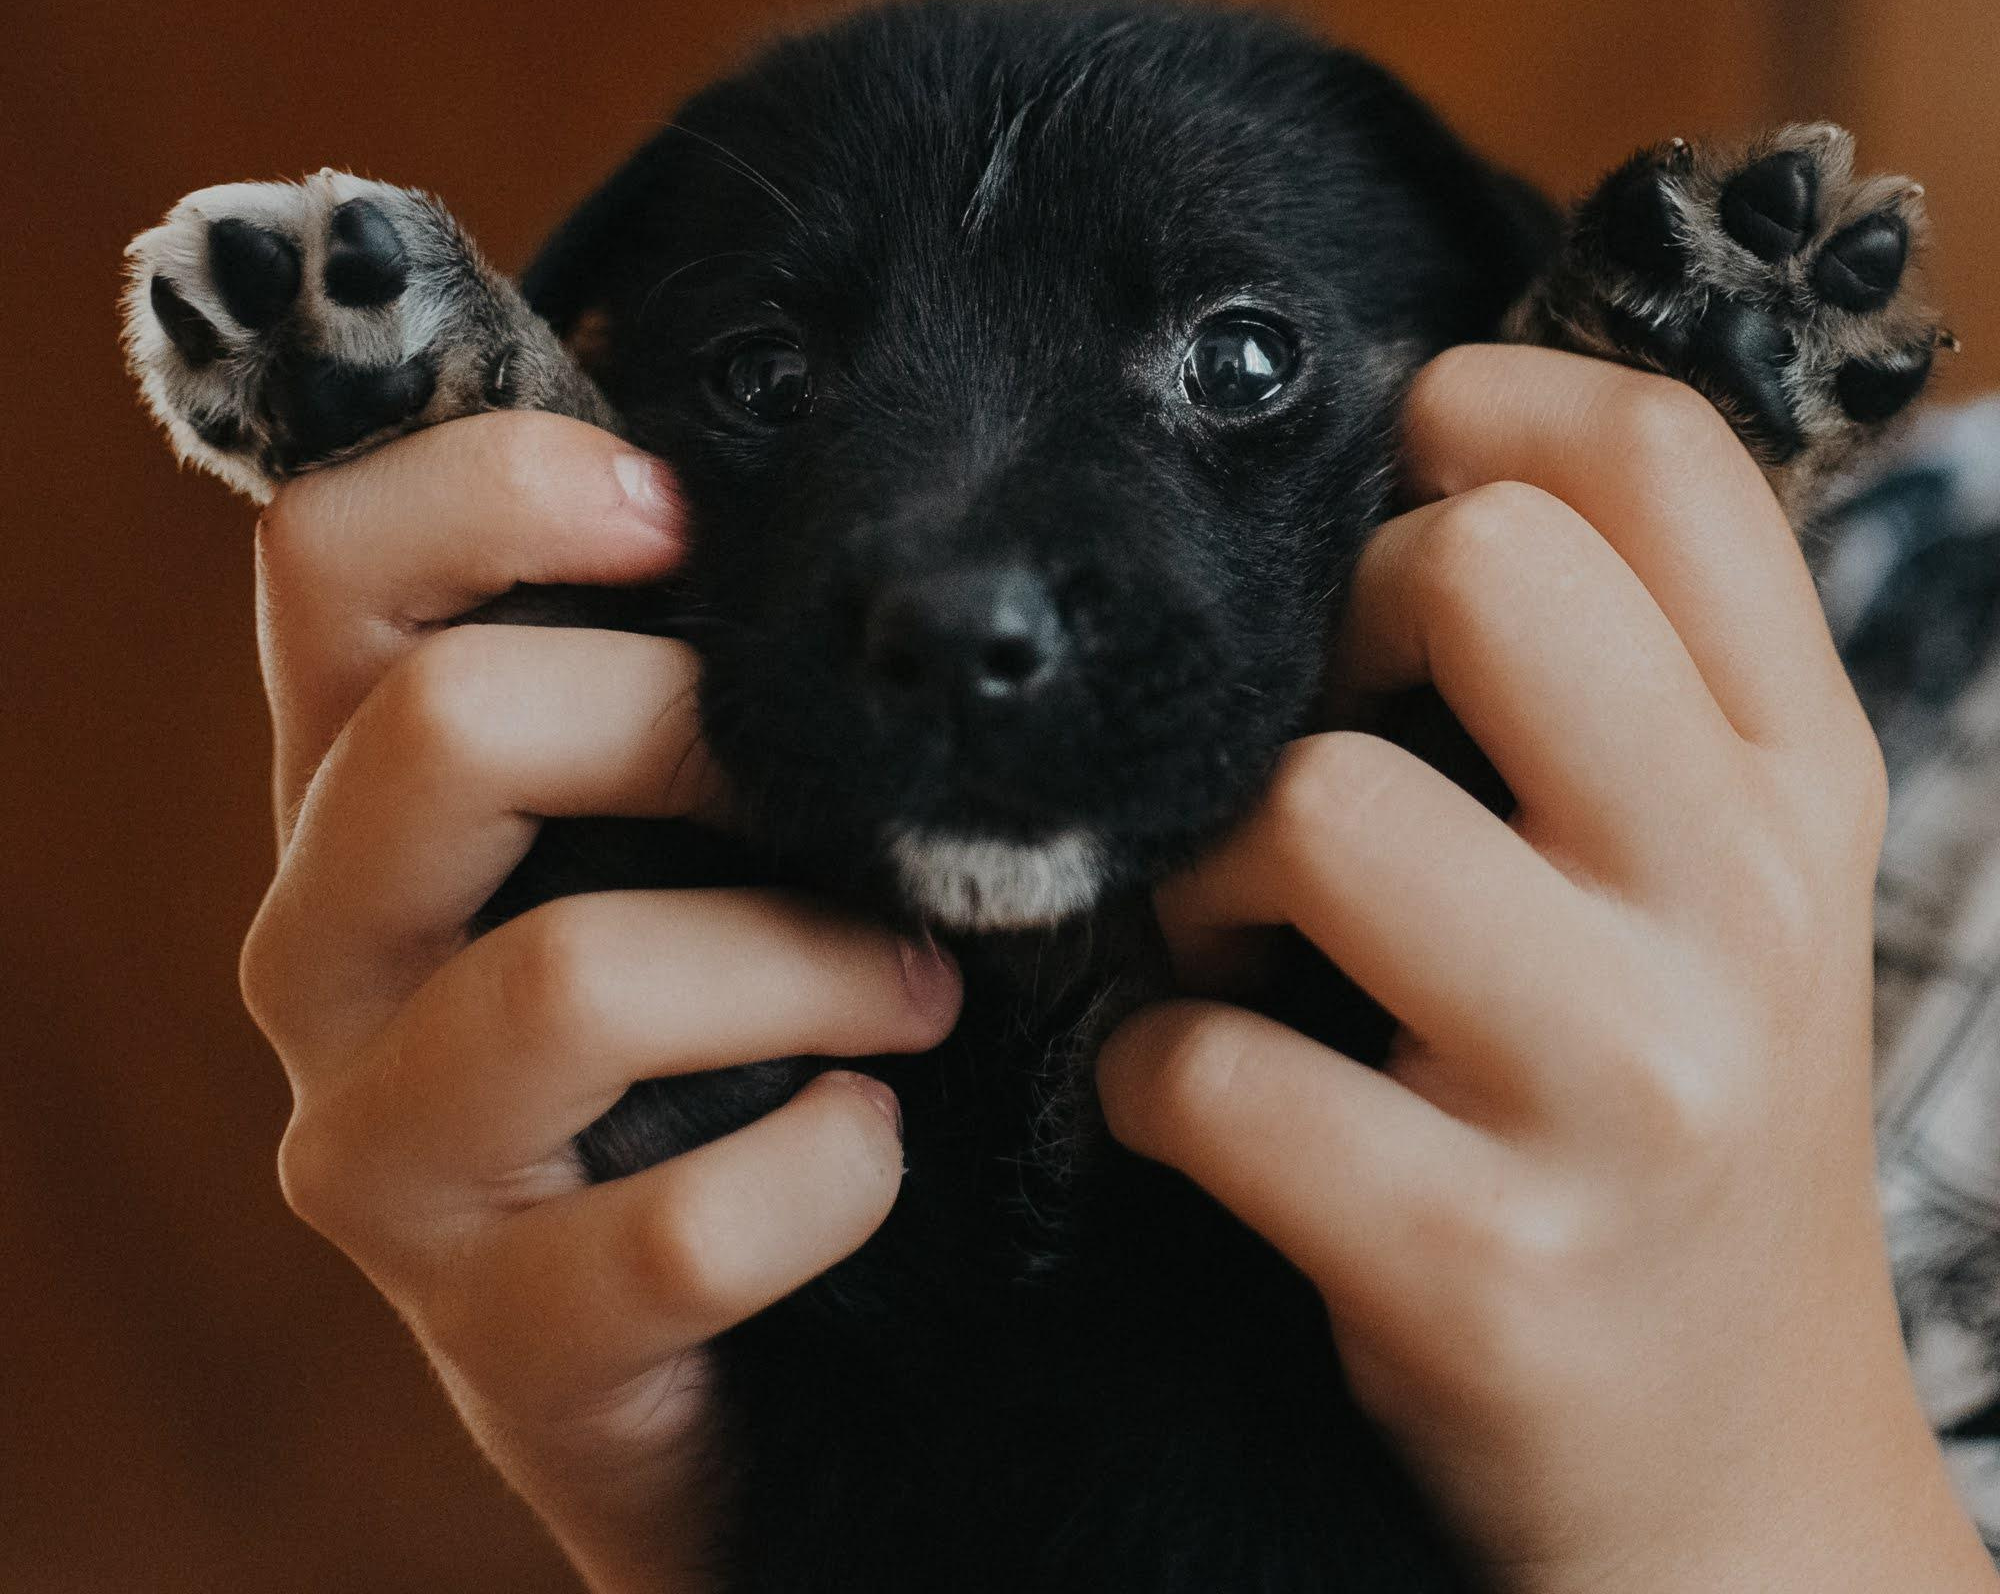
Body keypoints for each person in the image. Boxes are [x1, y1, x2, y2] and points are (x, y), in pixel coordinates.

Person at [237, 344, 2000, 1591]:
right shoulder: (1881, 555)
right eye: (778, 390)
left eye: (1233, 368)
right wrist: (741, 1465)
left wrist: (1757, 1527)